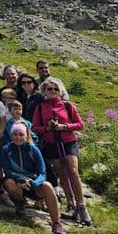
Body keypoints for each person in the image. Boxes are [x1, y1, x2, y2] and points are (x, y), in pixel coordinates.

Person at [32, 78, 91, 226]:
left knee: (73, 171)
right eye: (49, 89)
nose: (52, 92)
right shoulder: (40, 107)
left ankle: (81, 205)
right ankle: (71, 204)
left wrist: (64, 127)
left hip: (68, 142)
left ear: (60, 91)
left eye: (55, 89)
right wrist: (47, 128)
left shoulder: (67, 105)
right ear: (44, 91)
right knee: (62, 173)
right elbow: (35, 127)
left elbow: (80, 124)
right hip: (51, 143)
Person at [2, 123, 67, 234]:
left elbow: (42, 172)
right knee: (8, 182)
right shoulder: (6, 149)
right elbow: (7, 171)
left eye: (21, 134)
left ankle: (56, 223)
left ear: (26, 135)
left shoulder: (34, 150)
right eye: (15, 134)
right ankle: (20, 203)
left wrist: (34, 183)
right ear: (11, 136)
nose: (18, 137)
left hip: (33, 184)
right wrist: (22, 179)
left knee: (47, 186)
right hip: (17, 182)